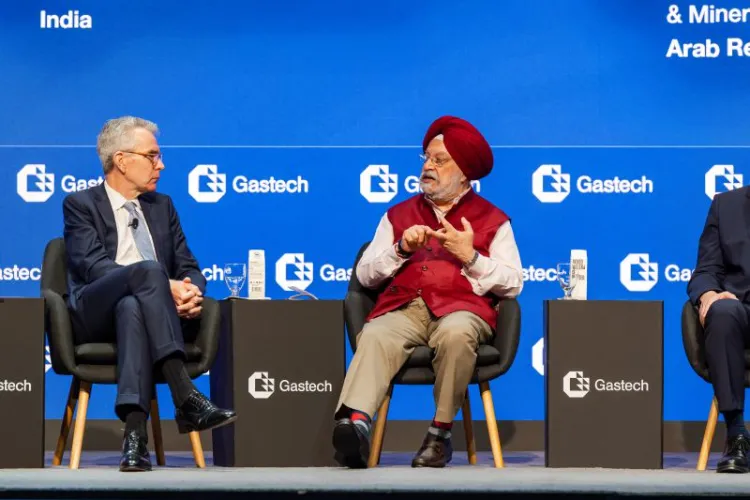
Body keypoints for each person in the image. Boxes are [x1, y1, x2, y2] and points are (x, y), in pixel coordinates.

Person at [332, 116, 523, 468]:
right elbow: (365, 276)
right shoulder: (397, 215)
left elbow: (513, 282)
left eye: (440, 160)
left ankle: (440, 434)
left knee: (456, 334)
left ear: (465, 173)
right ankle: (354, 427)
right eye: (426, 159)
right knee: (374, 333)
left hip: (463, 311)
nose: (428, 167)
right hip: (405, 309)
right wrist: (400, 249)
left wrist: (471, 257)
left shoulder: (494, 220)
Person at [62, 116, 237, 472]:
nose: (162, 165)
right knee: (147, 272)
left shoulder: (162, 206)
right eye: (153, 156)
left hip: (150, 315)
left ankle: (135, 437)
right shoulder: (81, 205)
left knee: (132, 308)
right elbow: (94, 267)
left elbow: (189, 265)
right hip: (95, 313)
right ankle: (184, 393)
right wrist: (160, 282)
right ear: (122, 160)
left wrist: (189, 290)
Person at [688, 186, 750, 474]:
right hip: (741, 312)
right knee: (722, 312)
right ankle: (737, 434)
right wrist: (709, 294)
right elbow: (706, 270)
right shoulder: (727, 205)